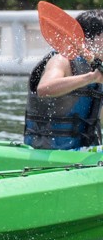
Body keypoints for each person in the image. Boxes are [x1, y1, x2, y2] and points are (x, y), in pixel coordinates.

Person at [23, 10, 103, 150]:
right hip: (46, 149)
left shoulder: (99, 68)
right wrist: (92, 77)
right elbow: (44, 89)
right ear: (88, 39)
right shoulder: (62, 60)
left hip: (84, 151)